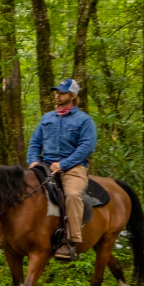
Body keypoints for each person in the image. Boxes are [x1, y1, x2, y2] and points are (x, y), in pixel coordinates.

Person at [26, 78, 97, 261]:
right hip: (45, 165)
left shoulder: (84, 120)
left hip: (73, 168)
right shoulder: (47, 118)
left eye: (62, 93)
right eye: (56, 93)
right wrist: (33, 160)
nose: (57, 96)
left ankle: (70, 241)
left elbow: (86, 147)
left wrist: (64, 164)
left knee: (72, 195)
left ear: (72, 96)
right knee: (21, 187)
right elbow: (35, 142)